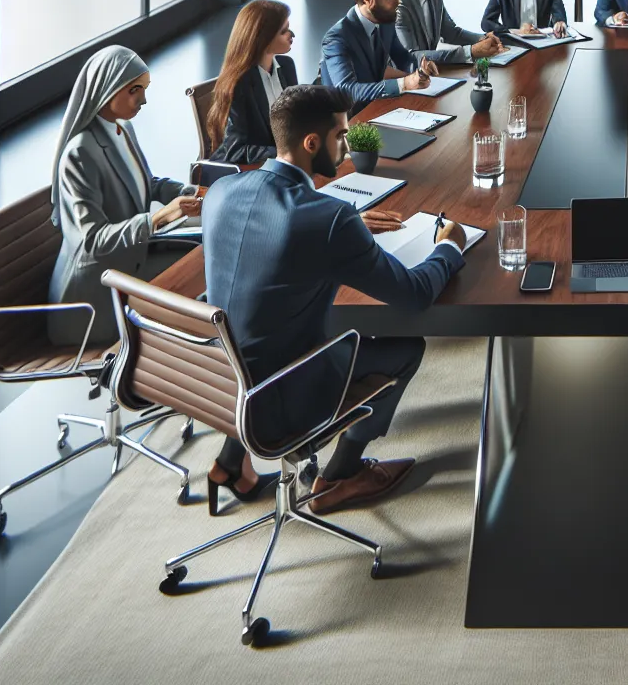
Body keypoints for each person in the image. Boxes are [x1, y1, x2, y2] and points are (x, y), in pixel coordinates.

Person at [201, 84, 470, 514]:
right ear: (312, 143)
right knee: (405, 349)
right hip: (282, 396)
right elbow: (414, 295)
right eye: (341, 136)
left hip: (216, 382)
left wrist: (342, 226)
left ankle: (231, 462)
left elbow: (266, 244)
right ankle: (340, 476)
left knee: (257, 322)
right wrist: (449, 247)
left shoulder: (220, 193)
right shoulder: (329, 219)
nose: (346, 146)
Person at [48, 45, 198, 346]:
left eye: (144, 89)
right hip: (93, 298)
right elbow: (91, 241)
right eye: (134, 90)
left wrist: (184, 191)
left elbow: (146, 181)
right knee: (199, 275)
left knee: (203, 257)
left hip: (129, 263)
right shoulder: (79, 154)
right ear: (107, 89)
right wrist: (158, 218)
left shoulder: (122, 129)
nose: (143, 99)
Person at [320, 0, 441, 114]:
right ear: (369, 0)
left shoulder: (384, 21)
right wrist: (403, 84)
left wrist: (420, 68)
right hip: (348, 122)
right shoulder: (337, 38)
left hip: (378, 107)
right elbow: (347, 91)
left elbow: (402, 56)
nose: (398, 0)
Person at [207, 0, 298, 165]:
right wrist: (286, 152)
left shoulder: (287, 66)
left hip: (281, 165)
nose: (291, 35)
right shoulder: (238, 84)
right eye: (283, 31)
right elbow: (235, 150)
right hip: (251, 172)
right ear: (263, 38)